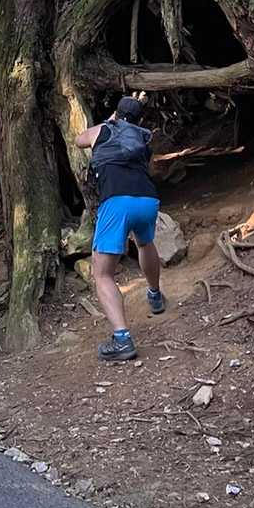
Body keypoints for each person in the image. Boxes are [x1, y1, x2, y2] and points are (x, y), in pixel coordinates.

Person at [76, 94, 167, 361]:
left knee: (102, 273)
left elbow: (79, 139)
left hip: (116, 202)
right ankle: (155, 295)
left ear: (116, 113)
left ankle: (122, 339)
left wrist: (109, 121)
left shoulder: (103, 130)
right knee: (145, 243)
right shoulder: (142, 138)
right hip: (147, 199)